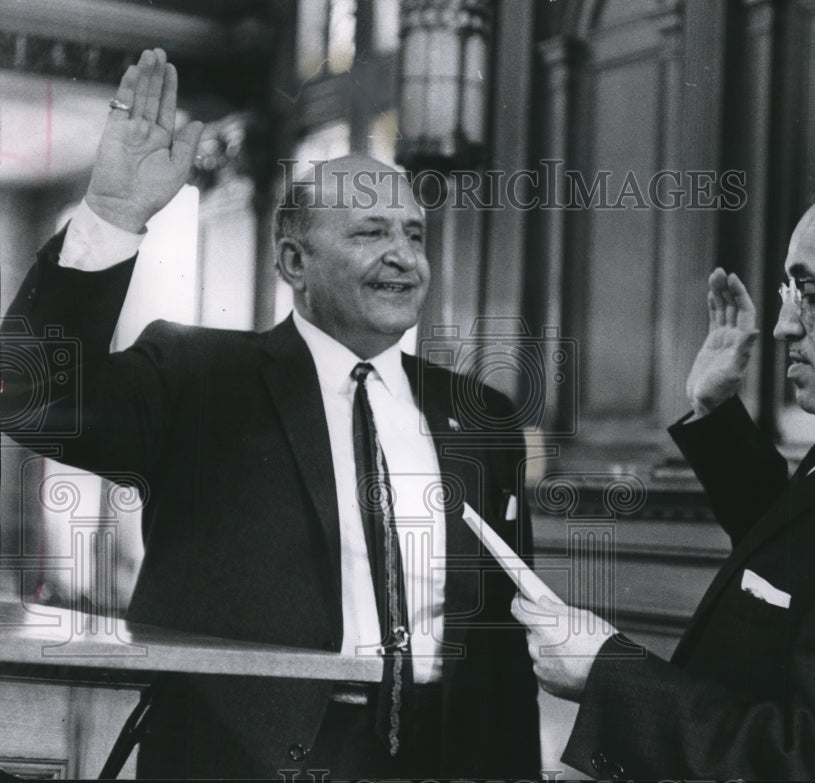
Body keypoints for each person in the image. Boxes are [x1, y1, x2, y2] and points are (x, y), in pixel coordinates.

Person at [0, 49, 540, 779]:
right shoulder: (196, 378)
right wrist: (113, 216)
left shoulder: (479, 413)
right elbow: (30, 400)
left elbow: (503, 641)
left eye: (414, 234)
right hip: (241, 762)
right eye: (369, 232)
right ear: (293, 261)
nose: (403, 256)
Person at [512, 157, 815, 779]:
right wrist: (716, 414)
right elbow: (805, 555)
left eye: (810, 291)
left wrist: (606, 671)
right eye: (786, 294)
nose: (782, 325)